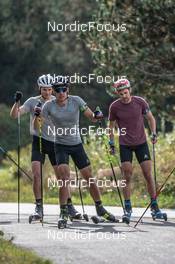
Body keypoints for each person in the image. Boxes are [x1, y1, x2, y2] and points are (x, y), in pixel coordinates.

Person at [36, 76, 117, 225]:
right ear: (53, 91)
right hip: (60, 145)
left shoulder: (77, 101)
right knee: (64, 178)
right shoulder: (49, 106)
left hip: (77, 145)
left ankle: (100, 208)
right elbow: (38, 124)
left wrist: (97, 116)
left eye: (64, 89)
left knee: (89, 177)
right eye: (58, 89)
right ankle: (63, 212)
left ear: (68, 89)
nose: (61, 92)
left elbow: (92, 117)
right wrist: (37, 115)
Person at [10, 74, 81, 221]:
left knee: (62, 177)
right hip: (39, 141)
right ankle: (39, 207)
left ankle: (69, 206)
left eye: (49, 89)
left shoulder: (58, 101)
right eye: (44, 90)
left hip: (56, 142)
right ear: (39, 88)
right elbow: (15, 115)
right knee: (36, 174)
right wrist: (17, 102)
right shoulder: (32, 102)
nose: (47, 93)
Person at [108, 78, 167, 220]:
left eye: (125, 92)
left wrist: (153, 133)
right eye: (120, 93)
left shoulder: (140, 102)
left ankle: (154, 207)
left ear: (130, 90)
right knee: (127, 176)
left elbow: (151, 119)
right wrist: (111, 143)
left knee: (148, 174)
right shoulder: (114, 107)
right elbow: (110, 127)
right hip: (125, 145)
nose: (123, 96)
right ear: (117, 93)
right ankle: (127, 208)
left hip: (141, 143)